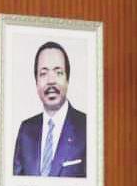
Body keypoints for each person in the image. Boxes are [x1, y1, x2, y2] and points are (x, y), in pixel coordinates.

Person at [12, 41, 87, 177]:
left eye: (58, 72)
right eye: (43, 73)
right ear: (36, 82)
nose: (51, 81)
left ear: (67, 80)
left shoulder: (86, 127)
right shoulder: (26, 130)